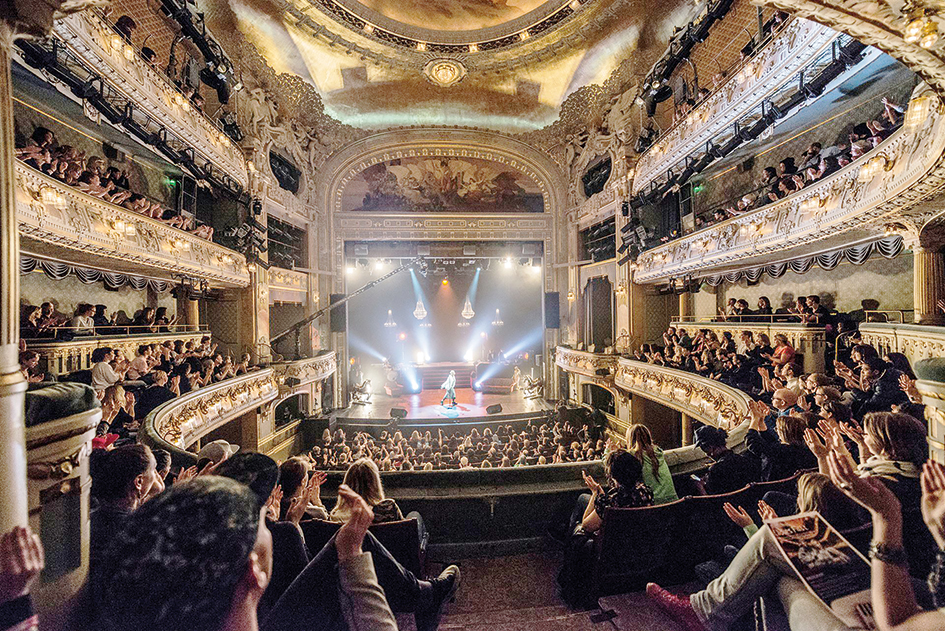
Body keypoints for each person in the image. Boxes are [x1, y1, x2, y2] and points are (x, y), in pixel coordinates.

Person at [88, 444, 159, 568]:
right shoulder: (140, 532)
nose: (156, 477)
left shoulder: (90, 519)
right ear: (139, 481)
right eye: (154, 470)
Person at [693, 425, 760, 495]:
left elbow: (711, 501)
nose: (707, 454)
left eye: (705, 450)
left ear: (711, 447)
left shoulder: (716, 470)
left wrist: (700, 487)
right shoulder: (744, 460)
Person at [625, 424, 678, 504]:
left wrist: (608, 450)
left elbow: (614, 464)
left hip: (654, 506)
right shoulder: (658, 451)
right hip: (674, 502)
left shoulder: (631, 455)